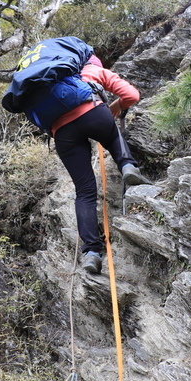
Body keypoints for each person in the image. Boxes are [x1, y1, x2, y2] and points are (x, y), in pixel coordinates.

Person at [51, 53, 149, 274]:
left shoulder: (53, 82)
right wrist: (115, 106)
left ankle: (91, 253)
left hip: (62, 131)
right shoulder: (93, 70)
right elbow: (131, 95)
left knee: (85, 192)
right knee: (113, 136)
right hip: (94, 111)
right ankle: (127, 166)